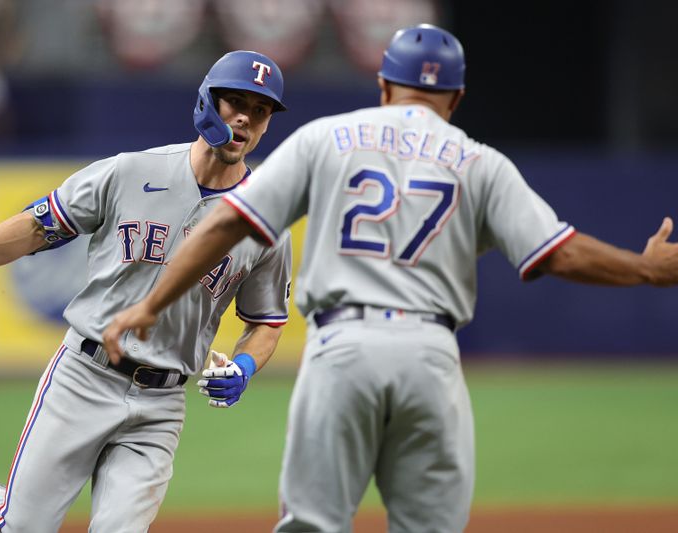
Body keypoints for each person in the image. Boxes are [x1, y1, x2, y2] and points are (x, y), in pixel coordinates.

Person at [101, 24, 678, 533]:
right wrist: (646, 269)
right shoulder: (480, 161)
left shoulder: (326, 138)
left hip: (342, 350)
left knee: (312, 524)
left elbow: (230, 221)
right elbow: (558, 253)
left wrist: (153, 303)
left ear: (383, 87)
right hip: (429, 353)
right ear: (455, 98)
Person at [0, 50, 292, 533]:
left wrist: (246, 365)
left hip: (161, 405)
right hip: (84, 376)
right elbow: (41, 225)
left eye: (261, 109)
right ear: (207, 101)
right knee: (16, 528)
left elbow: (266, 321)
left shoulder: (265, 221)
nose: (245, 117)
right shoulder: (131, 172)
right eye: (234, 101)